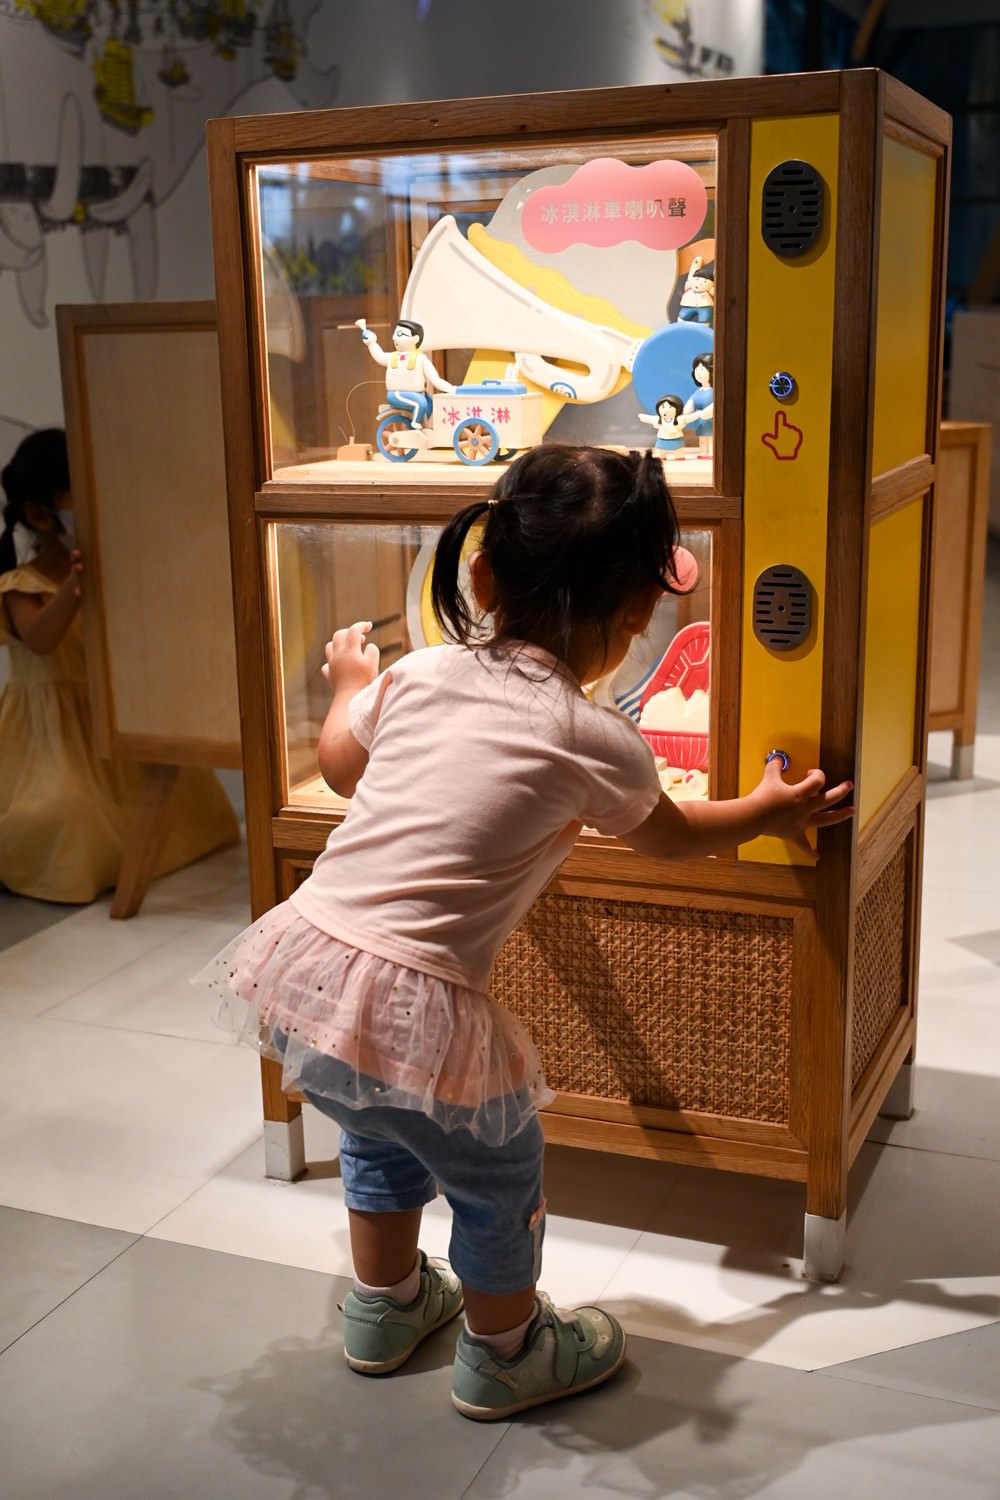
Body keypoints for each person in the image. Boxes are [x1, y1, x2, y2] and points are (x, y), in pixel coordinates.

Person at [195, 445, 853, 1421]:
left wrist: (345, 681)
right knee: (497, 1176)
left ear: (480, 574)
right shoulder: (590, 738)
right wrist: (764, 807)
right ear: (636, 618)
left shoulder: (415, 674)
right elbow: (671, 840)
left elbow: (337, 768)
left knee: (376, 1138)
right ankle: (505, 1351)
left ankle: (384, 1307)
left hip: (306, 978)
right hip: (414, 998)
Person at [0, 427, 239, 904]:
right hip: (49, 733)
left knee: (188, 803)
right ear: (39, 515)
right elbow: (42, 640)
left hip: (108, 714)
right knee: (69, 814)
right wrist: (75, 582)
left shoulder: (113, 569)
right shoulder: (19, 582)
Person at [355, 316, 454, 428]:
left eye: (400, 334)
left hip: (418, 394)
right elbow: (379, 356)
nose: (394, 338)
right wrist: (372, 344)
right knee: (420, 403)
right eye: (395, 333)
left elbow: (435, 380)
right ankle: (415, 425)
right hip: (397, 394)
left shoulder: (421, 359)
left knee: (430, 403)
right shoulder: (392, 357)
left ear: (415, 339)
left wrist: (452, 389)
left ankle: (425, 426)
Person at [681, 351, 714, 458]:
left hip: (712, 420)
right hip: (700, 421)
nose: (698, 372)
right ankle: (703, 452)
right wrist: (685, 414)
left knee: (711, 437)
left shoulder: (715, 391)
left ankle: (712, 452)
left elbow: (715, 405)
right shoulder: (698, 391)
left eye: (702, 369)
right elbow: (691, 403)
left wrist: (707, 412)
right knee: (702, 438)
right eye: (696, 369)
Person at [677, 255, 715, 325]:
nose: (700, 283)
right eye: (697, 279)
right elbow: (692, 273)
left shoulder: (711, 289)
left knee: (704, 320)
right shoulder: (689, 285)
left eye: (704, 281)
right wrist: (696, 263)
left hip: (704, 306)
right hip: (688, 305)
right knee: (682, 318)